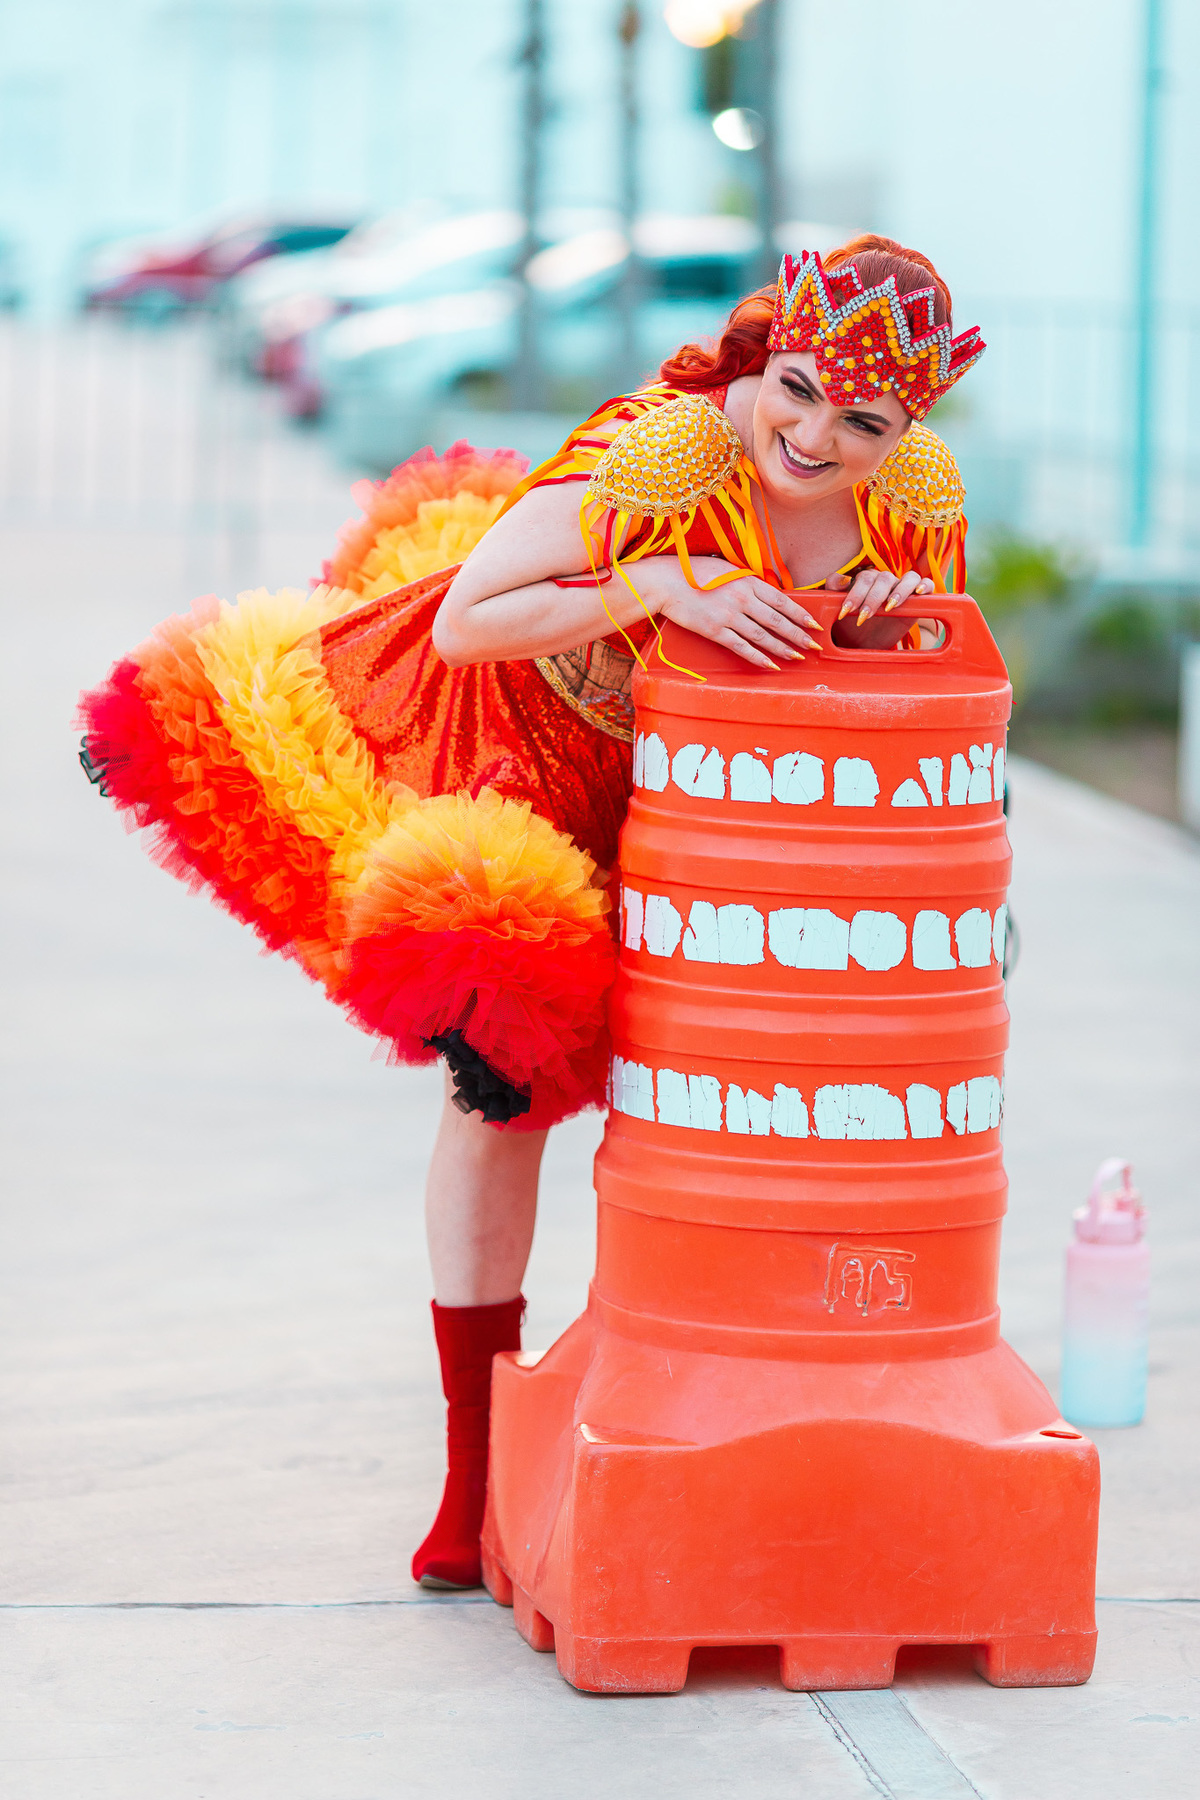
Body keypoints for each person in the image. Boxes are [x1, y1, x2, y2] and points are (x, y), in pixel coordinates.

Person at [78, 233, 984, 1590]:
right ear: (767, 358)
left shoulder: (914, 499)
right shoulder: (663, 454)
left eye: (864, 418)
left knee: (704, 1114)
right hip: (508, 750)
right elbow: (467, 622)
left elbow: (886, 677)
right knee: (504, 1090)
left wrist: (875, 618)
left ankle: (680, 1419)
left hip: (695, 803)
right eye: (796, 389)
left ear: (910, 423)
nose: (815, 434)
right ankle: (471, 1477)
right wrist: (657, 582)